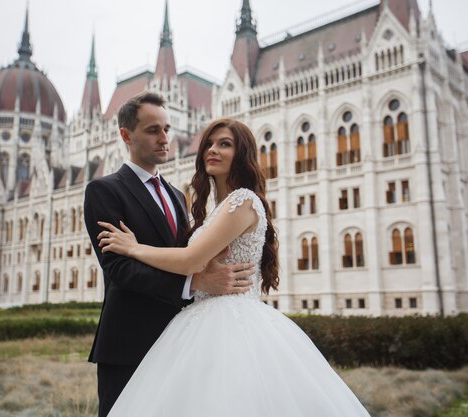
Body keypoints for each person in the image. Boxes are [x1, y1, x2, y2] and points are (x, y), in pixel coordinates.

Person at [97, 118, 372, 416]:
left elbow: (192, 260)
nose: (212, 150)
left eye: (224, 144)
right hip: (201, 320)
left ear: (242, 154)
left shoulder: (242, 201)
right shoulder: (220, 208)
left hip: (229, 324)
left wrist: (134, 248)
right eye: (210, 144)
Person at [83, 92, 256, 417]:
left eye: (167, 128)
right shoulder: (103, 190)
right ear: (126, 136)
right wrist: (194, 283)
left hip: (181, 341)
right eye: (153, 130)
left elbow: (190, 255)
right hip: (129, 344)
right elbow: (120, 269)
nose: (165, 139)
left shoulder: (178, 196)